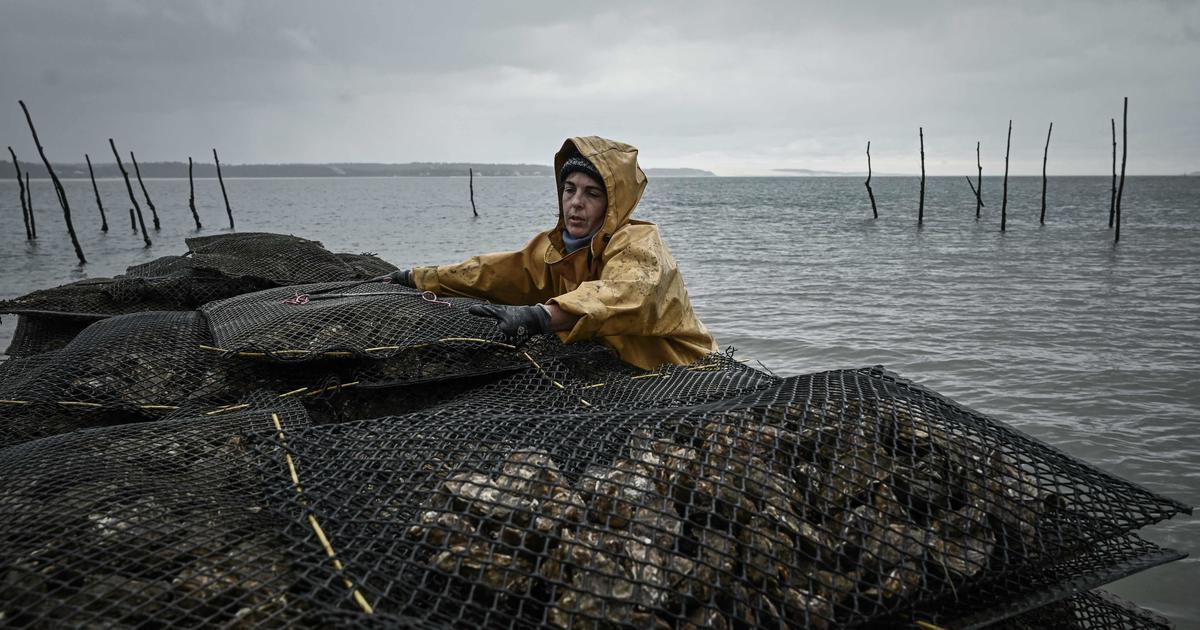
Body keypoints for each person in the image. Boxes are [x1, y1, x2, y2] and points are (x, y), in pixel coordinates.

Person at [382, 136, 716, 370]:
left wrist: (540, 316)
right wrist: (418, 277)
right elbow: (497, 272)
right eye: (569, 190)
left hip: (688, 369)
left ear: (613, 205)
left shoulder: (640, 244)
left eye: (592, 193)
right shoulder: (556, 248)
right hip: (622, 367)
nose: (576, 202)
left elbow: (622, 294)